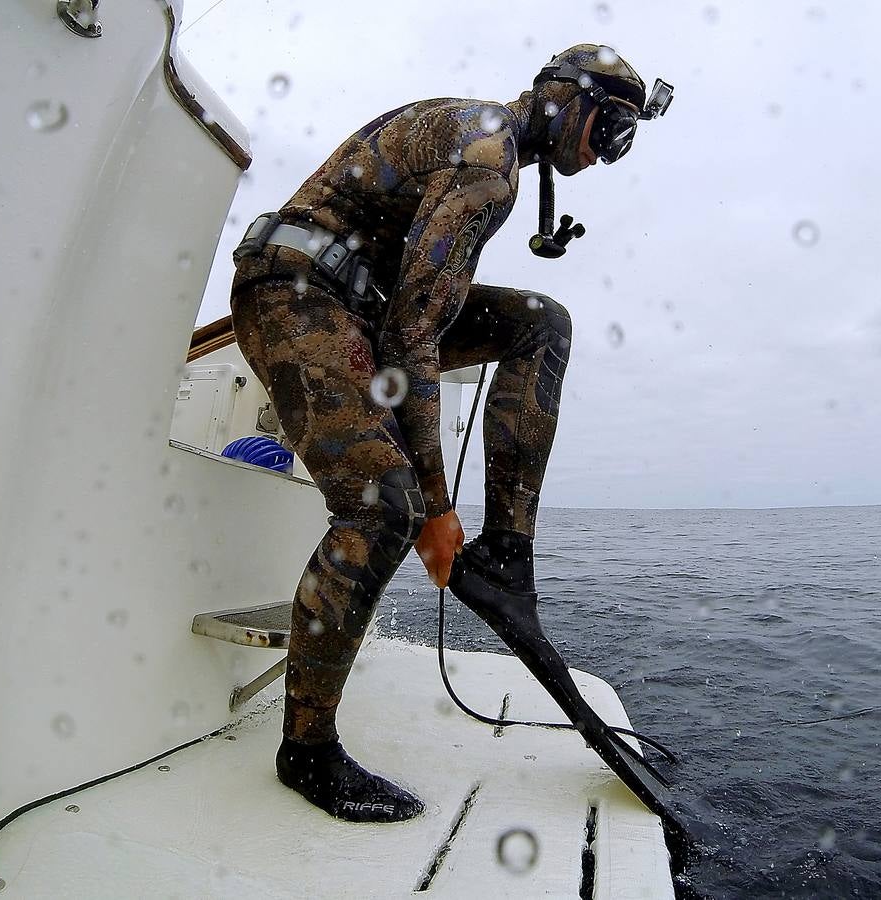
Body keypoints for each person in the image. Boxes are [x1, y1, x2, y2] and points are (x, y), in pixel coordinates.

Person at [228, 44, 672, 823]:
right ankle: (306, 750)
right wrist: (436, 506)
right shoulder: (486, 157)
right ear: (565, 100)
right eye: (609, 134)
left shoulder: (504, 155)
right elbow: (412, 335)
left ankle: (505, 552)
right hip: (296, 292)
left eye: (620, 146)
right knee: (383, 508)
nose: (604, 158)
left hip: (359, 296)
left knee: (542, 325)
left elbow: (410, 315)